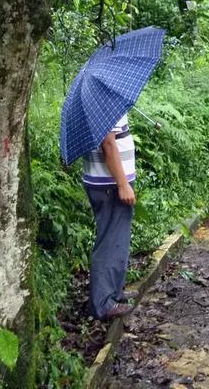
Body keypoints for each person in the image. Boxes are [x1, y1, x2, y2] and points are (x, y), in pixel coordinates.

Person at [82, 113, 137, 321]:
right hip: (109, 184)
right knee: (110, 242)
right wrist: (122, 184)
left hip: (102, 181)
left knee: (115, 239)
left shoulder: (101, 103)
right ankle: (103, 304)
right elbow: (108, 144)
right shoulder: (105, 104)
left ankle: (112, 294)